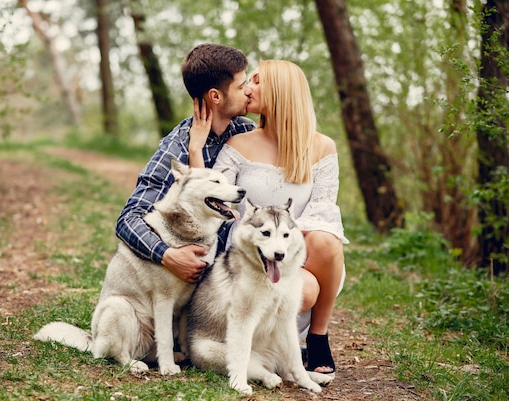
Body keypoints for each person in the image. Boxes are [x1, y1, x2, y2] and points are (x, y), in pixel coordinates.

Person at [189, 59, 348, 376]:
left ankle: (318, 336)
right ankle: (274, 348)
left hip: (299, 252)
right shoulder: (239, 144)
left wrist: (283, 242)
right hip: (252, 257)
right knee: (304, 289)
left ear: (282, 90)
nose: (248, 87)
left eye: (257, 81)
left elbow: (322, 211)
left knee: (327, 241)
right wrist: (196, 153)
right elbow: (211, 195)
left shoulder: (322, 147)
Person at [115, 43, 255, 285]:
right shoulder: (177, 147)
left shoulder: (245, 129)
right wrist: (167, 255)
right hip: (198, 282)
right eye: (241, 86)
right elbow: (128, 219)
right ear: (215, 96)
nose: (249, 91)